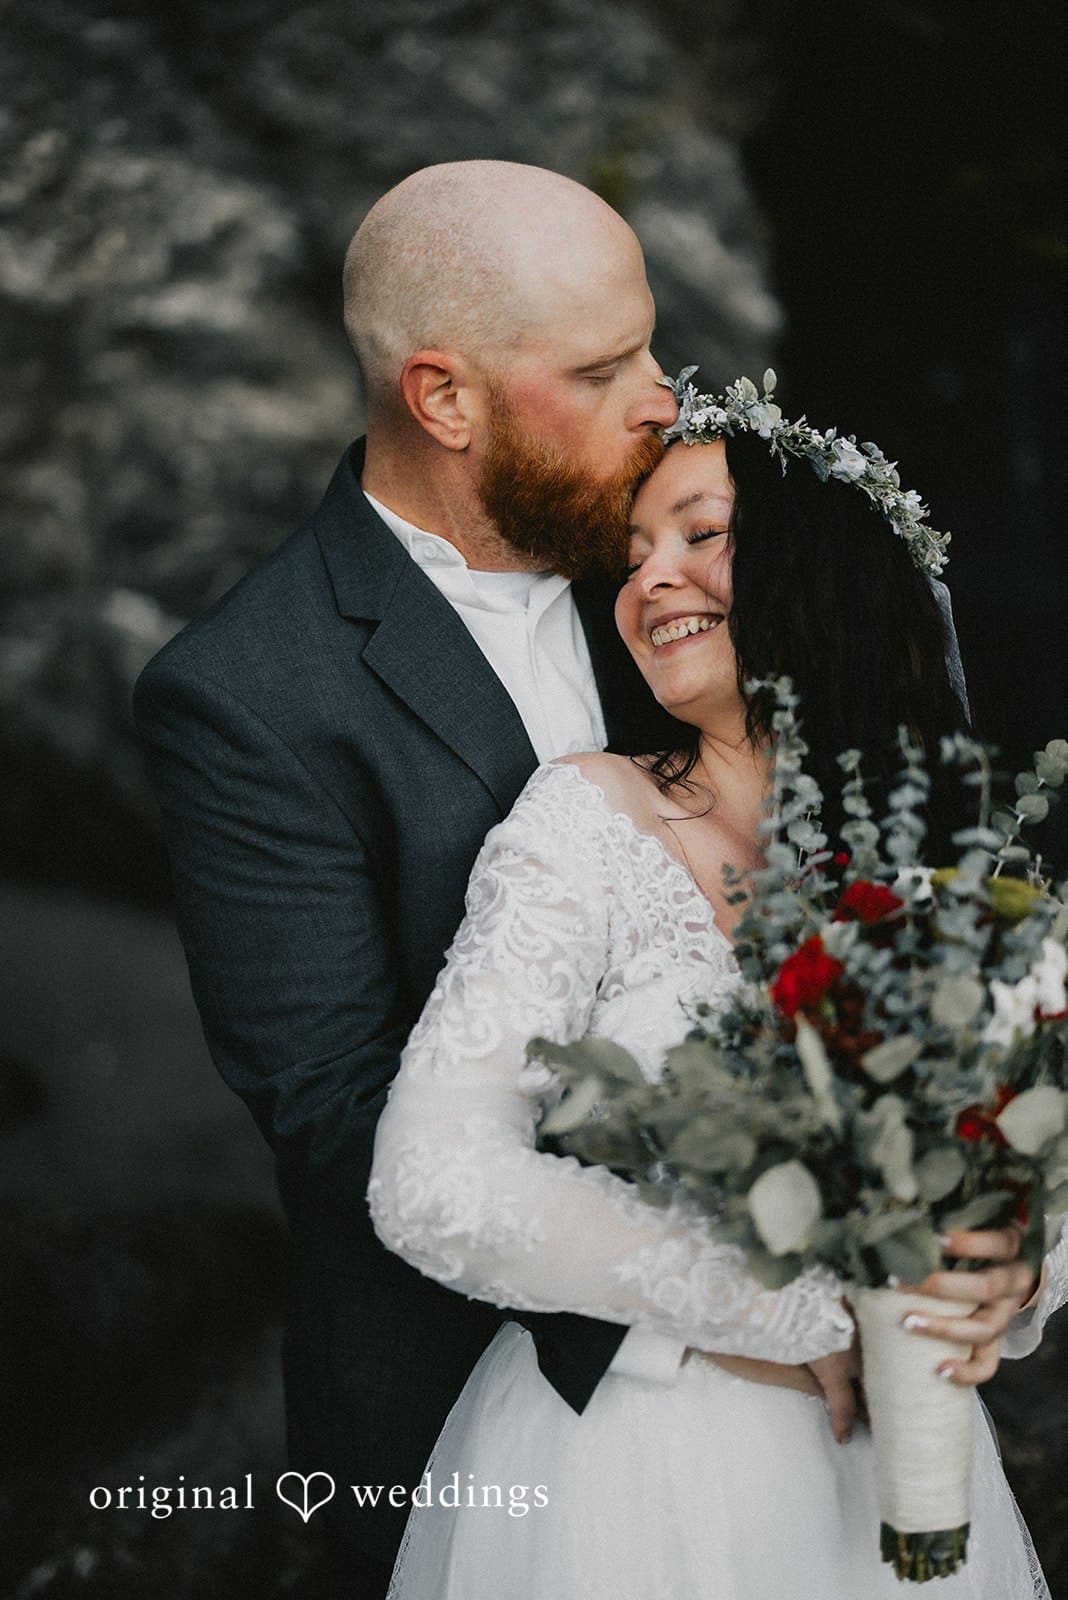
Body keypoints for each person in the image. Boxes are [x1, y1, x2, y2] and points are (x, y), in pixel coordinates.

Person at [369, 383, 1068, 1598]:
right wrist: (792, 1313)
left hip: (902, 1477)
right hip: (641, 1472)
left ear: (822, 561)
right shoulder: (587, 819)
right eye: (633, 557)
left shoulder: (953, 867)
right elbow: (432, 1176)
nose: (649, 583)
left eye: (703, 534)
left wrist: (1016, 1266)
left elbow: (1035, 1153)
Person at [133, 159, 696, 1593]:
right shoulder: (245, 694)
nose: (666, 398)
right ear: (444, 400)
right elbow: (336, 1102)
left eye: (652, 343)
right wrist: (724, 1264)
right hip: (462, 1408)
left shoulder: (684, 567)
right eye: (605, 364)